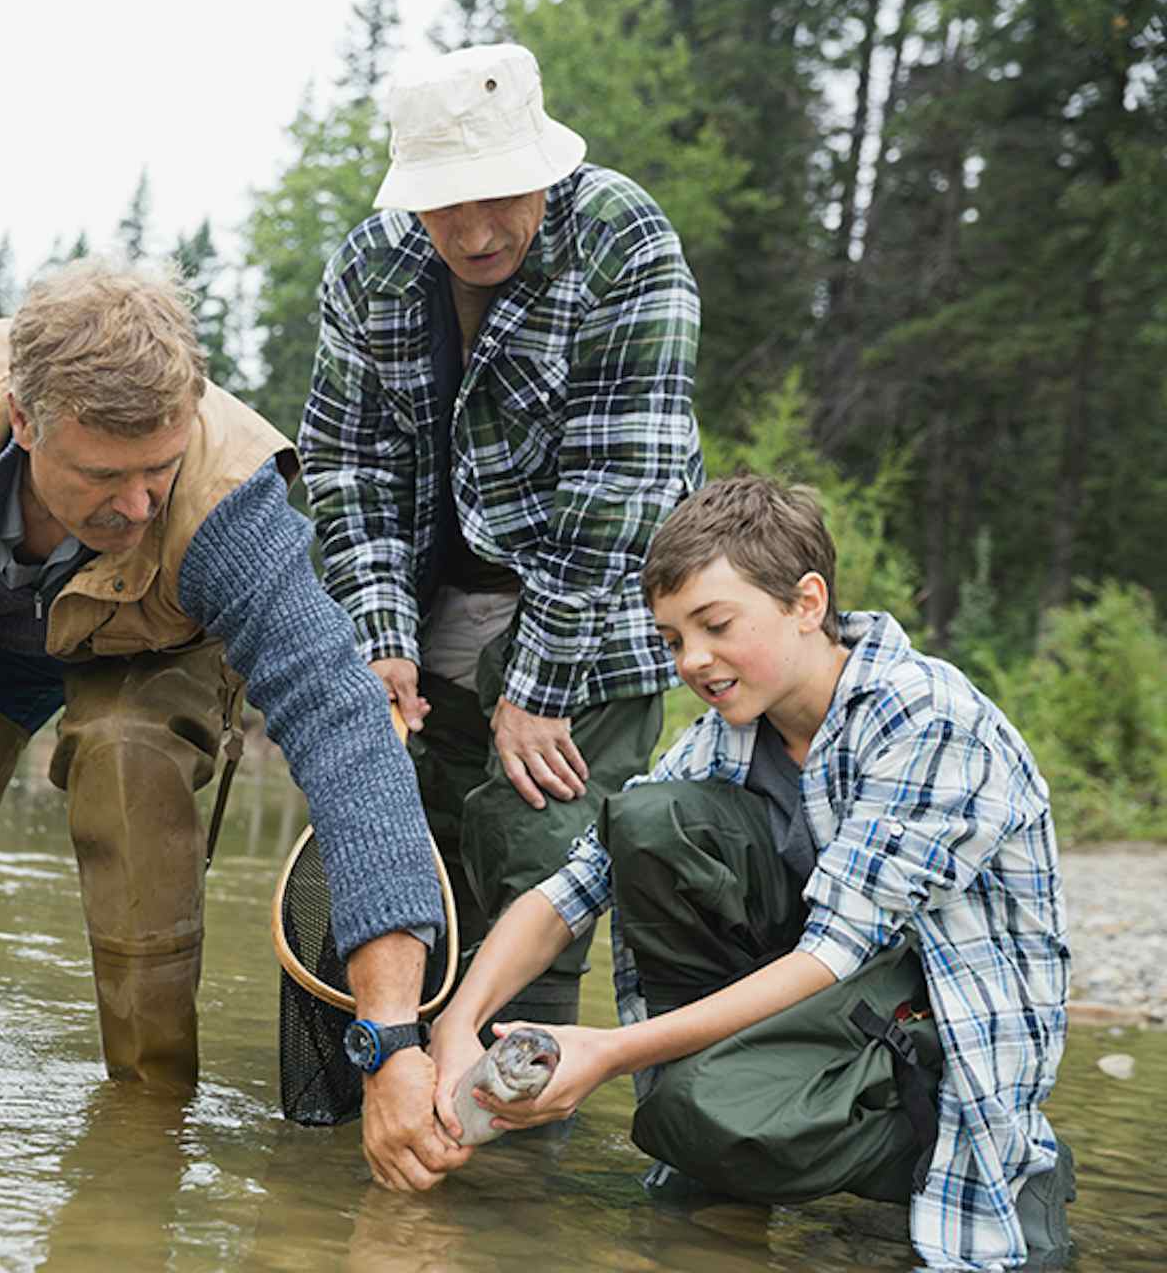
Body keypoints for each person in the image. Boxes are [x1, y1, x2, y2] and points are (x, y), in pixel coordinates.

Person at [0, 256, 469, 1190]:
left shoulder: (229, 506)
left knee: (127, 769)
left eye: (160, 468)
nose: (140, 504)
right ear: (26, 423)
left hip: (159, 645)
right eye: (105, 475)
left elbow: (342, 721)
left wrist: (394, 1037)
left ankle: (146, 1134)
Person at [430, 476, 1074, 1270]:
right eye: (671, 639)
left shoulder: (927, 717)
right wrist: (455, 1023)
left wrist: (606, 1050)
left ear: (807, 602)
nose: (693, 660)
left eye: (716, 624)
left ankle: (953, 1150)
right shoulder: (725, 735)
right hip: (836, 1001)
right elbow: (571, 889)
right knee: (646, 821)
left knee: (696, 1113)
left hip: (937, 1029)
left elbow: (833, 951)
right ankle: (732, 1119)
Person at [299, 41, 705, 1033]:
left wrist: (538, 690)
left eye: (499, 196)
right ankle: (377, 1131)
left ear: (544, 167)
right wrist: (380, 636)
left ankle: (513, 1161)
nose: (476, 231)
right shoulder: (369, 267)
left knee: (541, 859)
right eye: (446, 203)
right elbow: (348, 466)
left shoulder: (621, 238)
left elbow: (626, 486)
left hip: (590, 623)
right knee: (402, 859)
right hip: (432, 606)